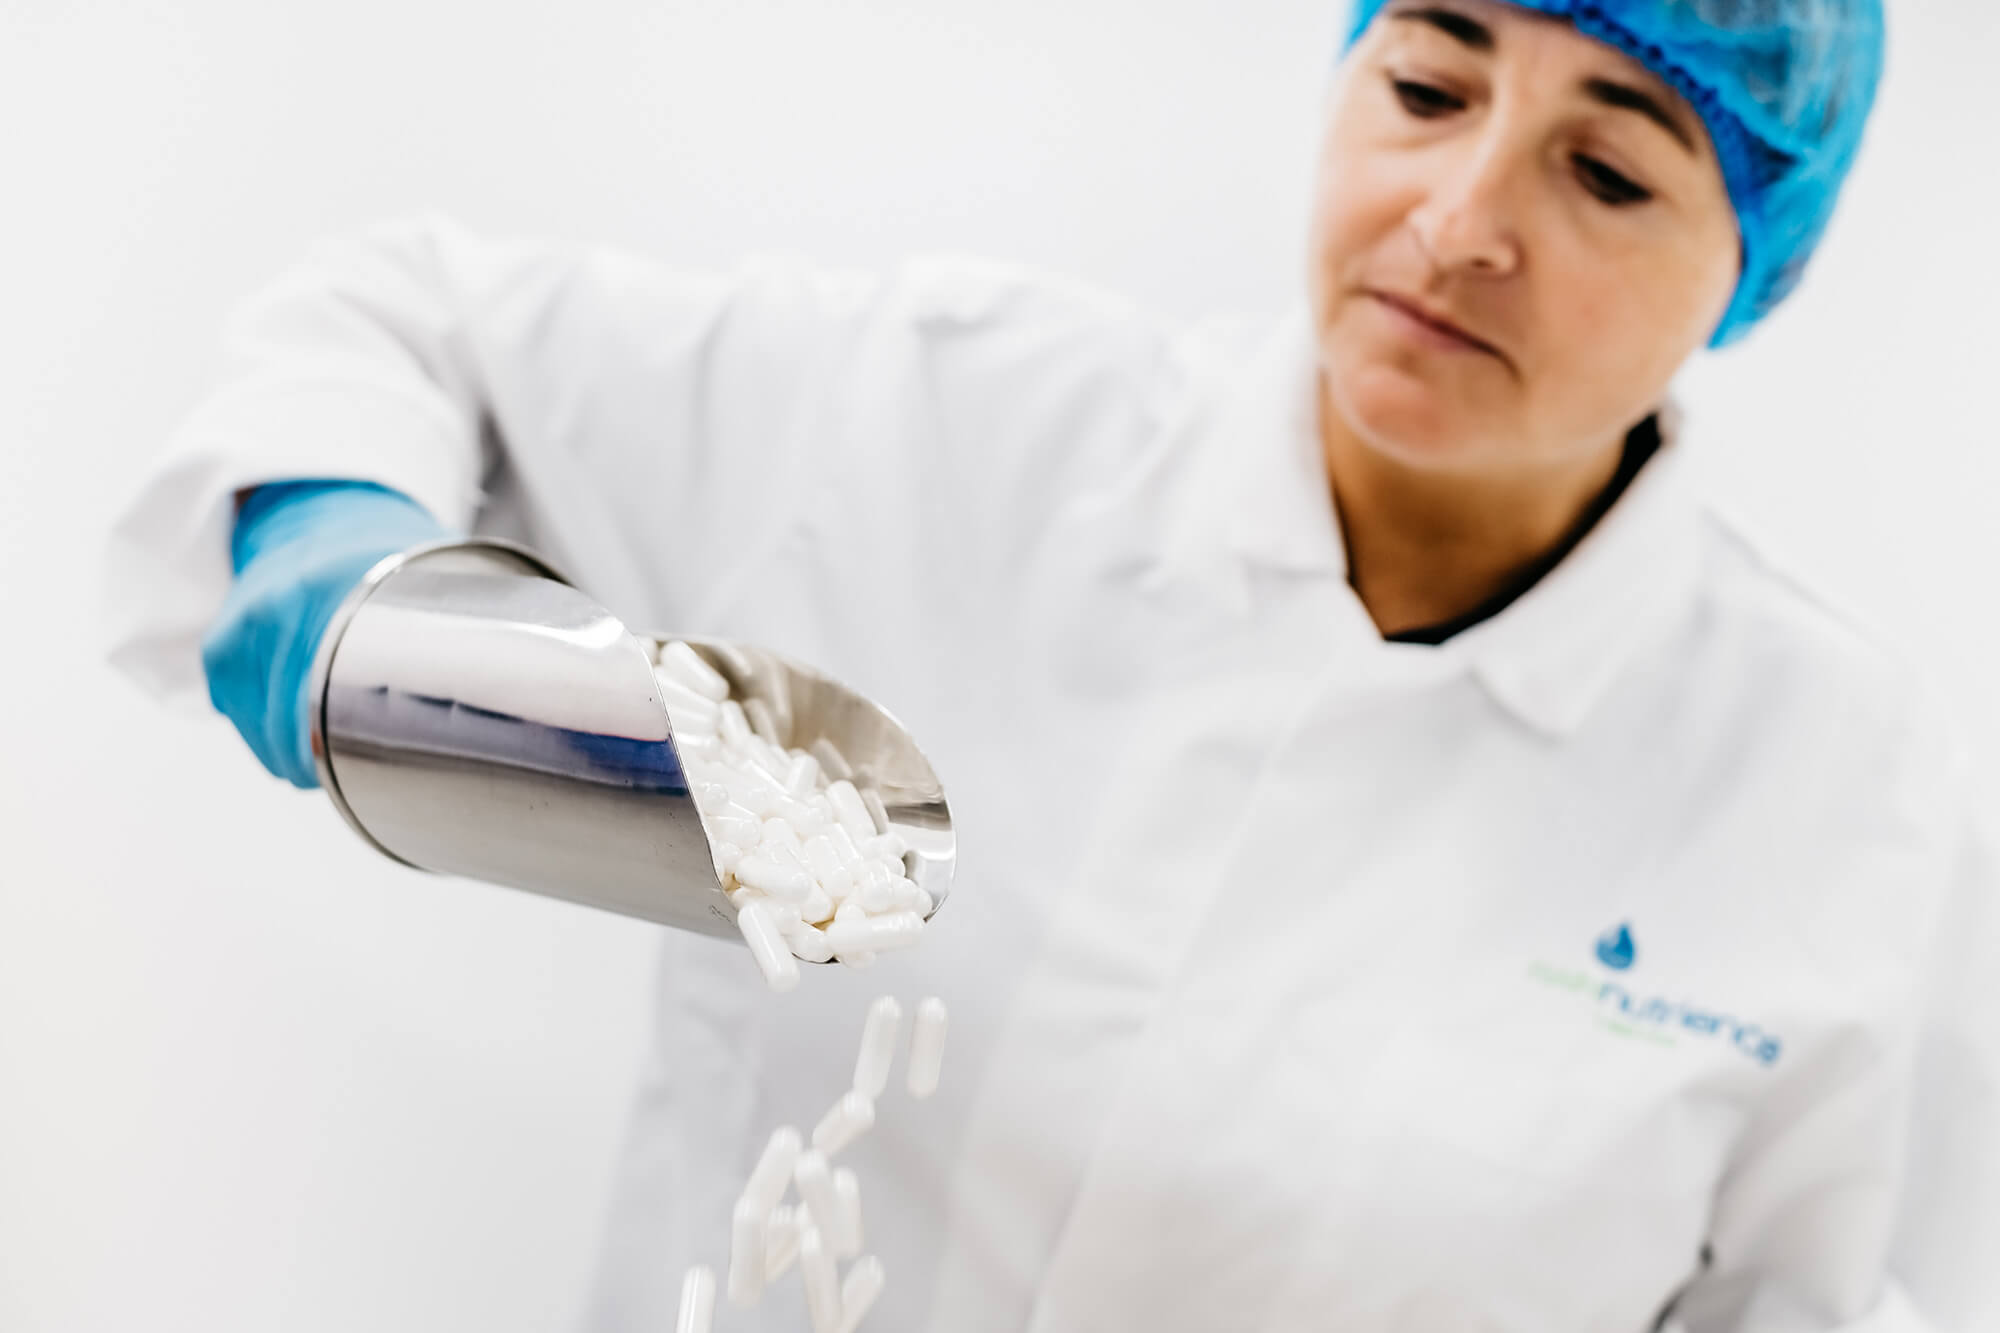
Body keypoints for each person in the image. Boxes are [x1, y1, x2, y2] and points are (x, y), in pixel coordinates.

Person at [104, 1, 2000, 1328]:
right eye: (1428, 79)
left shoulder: (1834, 789)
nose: (1459, 219)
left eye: (1607, 175)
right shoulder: (944, 427)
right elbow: (408, 316)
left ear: (1752, 261)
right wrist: (339, 570)